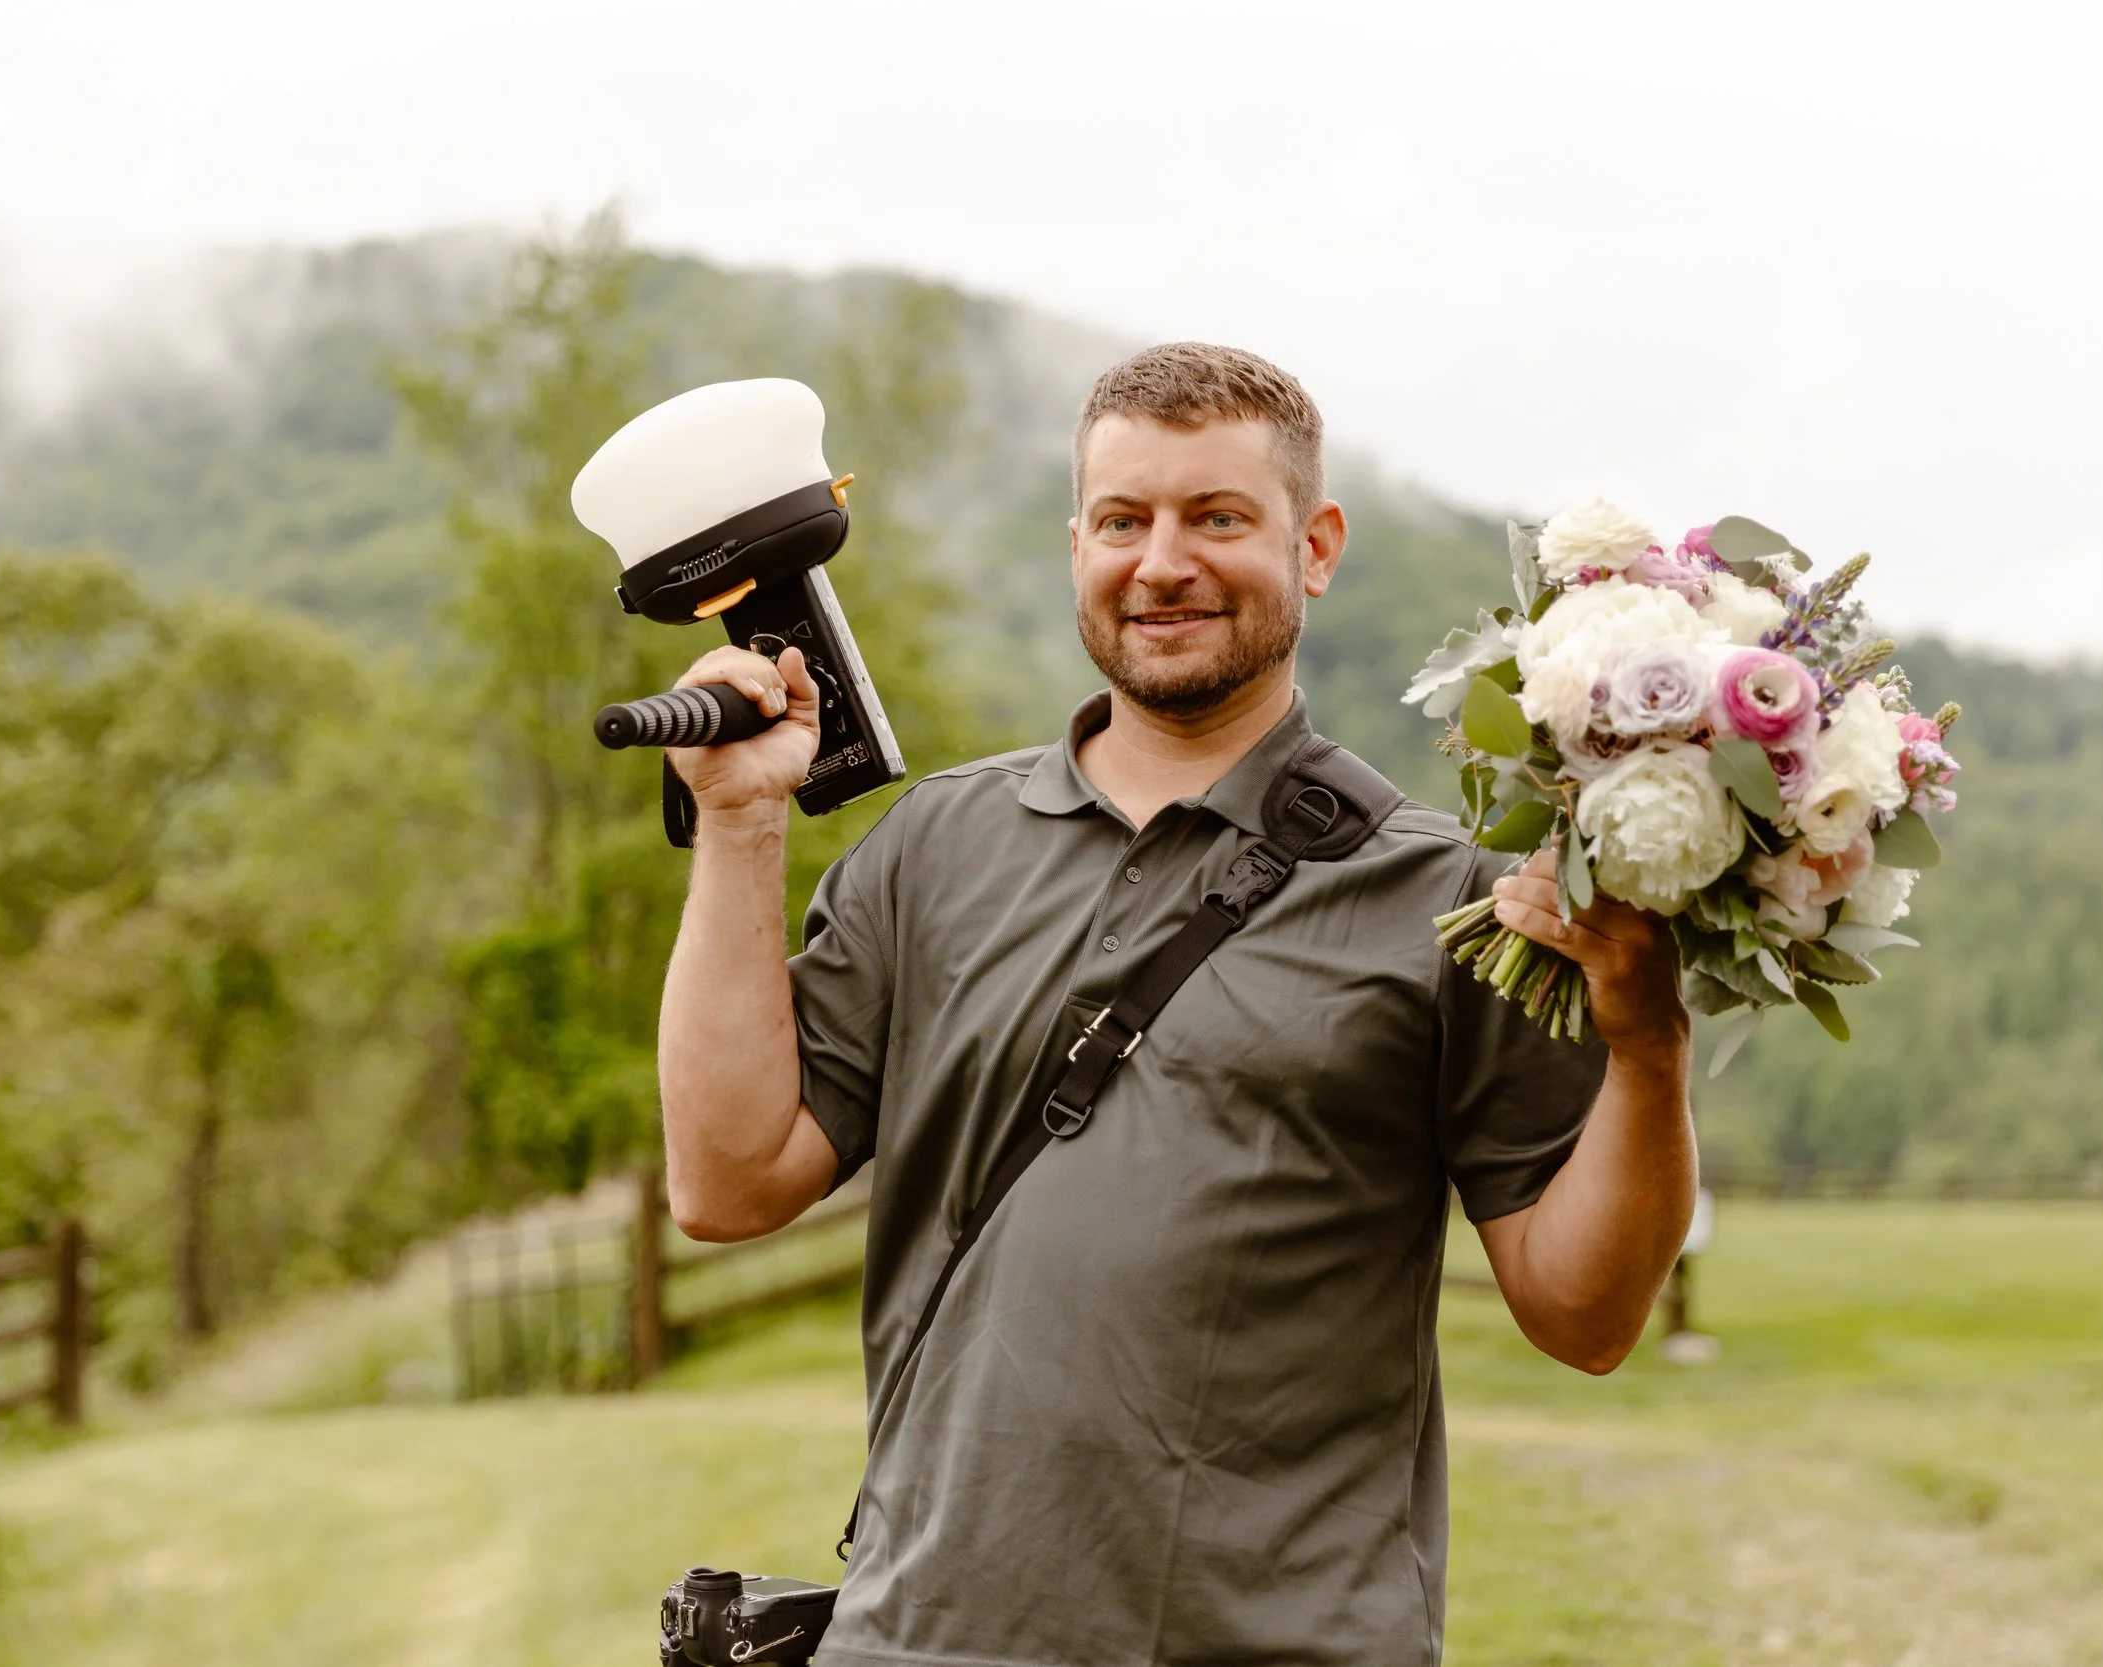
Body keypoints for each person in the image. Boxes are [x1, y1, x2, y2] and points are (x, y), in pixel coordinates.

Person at [657, 342, 1695, 1667]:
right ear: (1075, 542)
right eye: (1123, 520)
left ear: (1313, 546)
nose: (1163, 563)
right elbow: (729, 1178)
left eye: (1217, 518)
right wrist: (741, 818)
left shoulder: (1455, 900)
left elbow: (1586, 1315)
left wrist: (1646, 1041)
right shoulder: (932, 849)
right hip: (920, 1639)